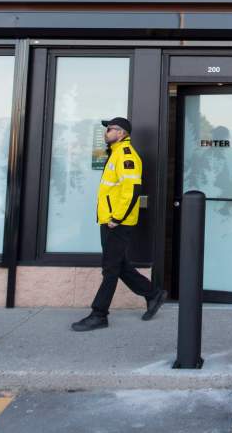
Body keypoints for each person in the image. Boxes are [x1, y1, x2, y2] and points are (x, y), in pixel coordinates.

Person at [72, 116, 166, 331]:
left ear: (121, 133)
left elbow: (133, 190)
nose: (106, 132)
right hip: (109, 220)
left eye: (110, 129)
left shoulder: (126, 156)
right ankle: (153, 293)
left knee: (110, 268)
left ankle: (99, 314)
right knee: (118, 264)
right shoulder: (115, 154)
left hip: (117, 223)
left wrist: (117, 218)